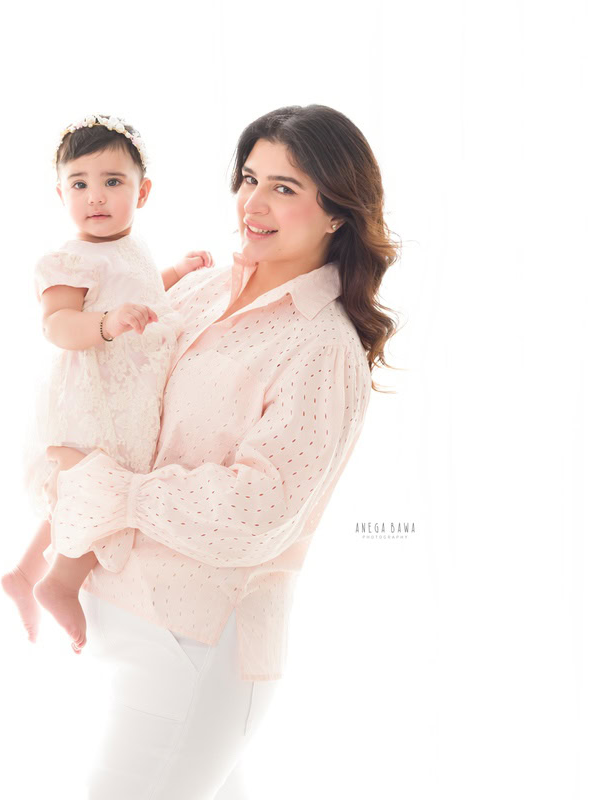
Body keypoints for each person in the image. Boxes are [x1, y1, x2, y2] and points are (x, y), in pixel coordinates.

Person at [44, 104, 400, 799]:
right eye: (249, 177)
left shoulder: (322, 347)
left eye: (285, 188)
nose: (254, 204)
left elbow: (257, 508)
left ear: (337, 213)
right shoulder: (204, 288)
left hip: (197, 646)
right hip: (131, 623)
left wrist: (105, 486)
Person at [0, 113, 213, 651]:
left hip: (127, 393)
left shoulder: (129, 247)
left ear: (142, 192)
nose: (95, 196)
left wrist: (175, 274)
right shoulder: (68, 259)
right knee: (105, 490)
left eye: (112, 182)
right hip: (94, 397)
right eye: (80, 184)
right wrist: (106, 325)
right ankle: (60, 583)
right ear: (60, 193)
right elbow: (58, 324)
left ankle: (23, 573)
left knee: (80, 494)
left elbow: (139, 290)